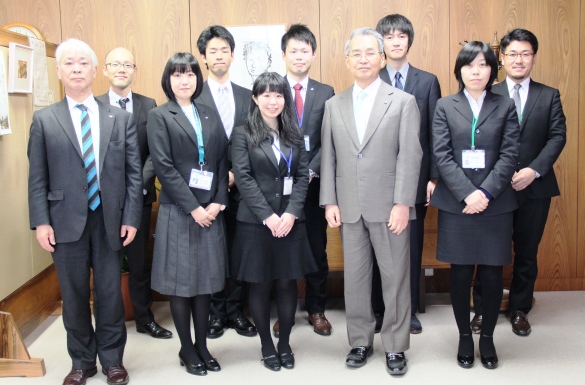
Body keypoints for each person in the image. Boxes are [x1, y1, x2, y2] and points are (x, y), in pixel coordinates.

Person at [28, 38, 142, 385]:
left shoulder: (119, 118)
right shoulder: (45, 119)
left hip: (109, 219)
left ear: (95, 71)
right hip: (63, 222)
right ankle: (81, 361)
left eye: (83, 63)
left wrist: (131, 217)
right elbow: (37, 176)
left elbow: (133, 174)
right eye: (69, 63)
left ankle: (112, 361)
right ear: (59, 71)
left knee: (109, 294)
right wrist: (41, 222)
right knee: (74, 295)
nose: (76, 69)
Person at [320, 27, 422, 376]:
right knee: (357, 279)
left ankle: (395, 346)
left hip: (389, 206)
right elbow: (329, 157)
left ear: (382, 59)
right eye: (356, 54)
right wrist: (329, 201)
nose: (363, 59)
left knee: (395, 278)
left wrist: (403, 203)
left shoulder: (403, 102)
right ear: (347, 61)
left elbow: (410, 155)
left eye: (370, 53)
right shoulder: (334, 105)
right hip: (348, 206)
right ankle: (360, 341)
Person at [430, 41, 520, 369]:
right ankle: (465, 337)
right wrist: (468, 193)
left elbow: (510, 153)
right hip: (458, 204)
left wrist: (486, 193)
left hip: (495, 204)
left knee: (493, 273)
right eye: (469, 65)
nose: (476, 71)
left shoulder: (506, 105)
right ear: (460, 71)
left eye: (483, 65)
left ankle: (488, 337)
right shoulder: (444, 106)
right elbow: (441, 154)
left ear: (492, 70)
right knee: (461, 273)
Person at [471, 29, 567, 337]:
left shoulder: (549, 94)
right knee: (489, 250)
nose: (519, 59)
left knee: (527, 250)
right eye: (512, 54)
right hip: (495, 187)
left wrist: (534, 170)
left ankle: (519, 309)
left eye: (525, 54)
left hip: (534, 186)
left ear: (534, 58)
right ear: (501, 57)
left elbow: (557, 137)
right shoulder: (488, 92)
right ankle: (483, 308)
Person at [147, 52, 229, 376]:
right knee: (181, 284)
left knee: (205, 282)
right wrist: (194, 208)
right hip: (179, 211)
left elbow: (222, 160)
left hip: (210, 210)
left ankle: (203, 345)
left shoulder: (208, 113)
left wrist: (218, 202)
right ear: (168, 79)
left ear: (198, 77)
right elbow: (163, 168)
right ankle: (186, 347)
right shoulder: (159, 115)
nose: (185, 80)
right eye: (178, 74)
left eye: (191, 74)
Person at [231, 72, 317, 371]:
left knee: (287, 283)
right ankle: (267, 344)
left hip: (291, 220)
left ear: (285, 99)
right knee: (260, 284)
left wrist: (291, 213)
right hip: (257, 222)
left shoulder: (294, 132)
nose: (273, 101)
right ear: (255, 98)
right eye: (266, 95)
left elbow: (302, 177)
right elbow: (242, 177)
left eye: (278, 95)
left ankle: (284, 343)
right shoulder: (242, 133)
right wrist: (268, 216)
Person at [370, 14, 442, 334]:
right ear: (381, 43)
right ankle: (379, 308)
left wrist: (433, 177)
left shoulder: (427, 82)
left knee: (409, 248)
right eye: (389, 36)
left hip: (415, 181)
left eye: (401, 36)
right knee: (377, 247)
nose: (396, 41)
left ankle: (408, 310)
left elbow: (435, 134)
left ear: (409, 41)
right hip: (378, 181)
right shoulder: (371, 79)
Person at [97, 47, 172, 340]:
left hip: (139, 197)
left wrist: (138, 185)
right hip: (102, 202)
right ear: (104, 70)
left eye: (127, 64)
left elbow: (154, 152)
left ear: (135, 70)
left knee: (139, 263)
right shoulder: (94, 105)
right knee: (106, 264)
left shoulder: (148, 104)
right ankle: (107, 322)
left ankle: (144, 318)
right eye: (115, 64)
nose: (121, 69)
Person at [271, 23, 335, 338]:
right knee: (285, 248)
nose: (299, 56)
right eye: (293, 50)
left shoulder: (326, 92)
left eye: (305, 50)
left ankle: (316, 309)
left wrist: (310, 171)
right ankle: (285, 312)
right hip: (279, 185)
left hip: (312, 185)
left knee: (315, 247)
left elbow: (329, 139)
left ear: (313, 54)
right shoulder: (271, 90)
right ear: (283, 54)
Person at [195, 25, 257, 339]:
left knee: (238, 250)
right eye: (212, 51)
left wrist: (235, 173)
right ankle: (216, 314)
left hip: (242, 188)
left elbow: (256, 141)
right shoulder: (193, 97)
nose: (218, 56)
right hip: (205, 191)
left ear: (232, 55)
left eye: (224, 50)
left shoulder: (248, 96)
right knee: (212, 253)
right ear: (203, 58)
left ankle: (236, 311)